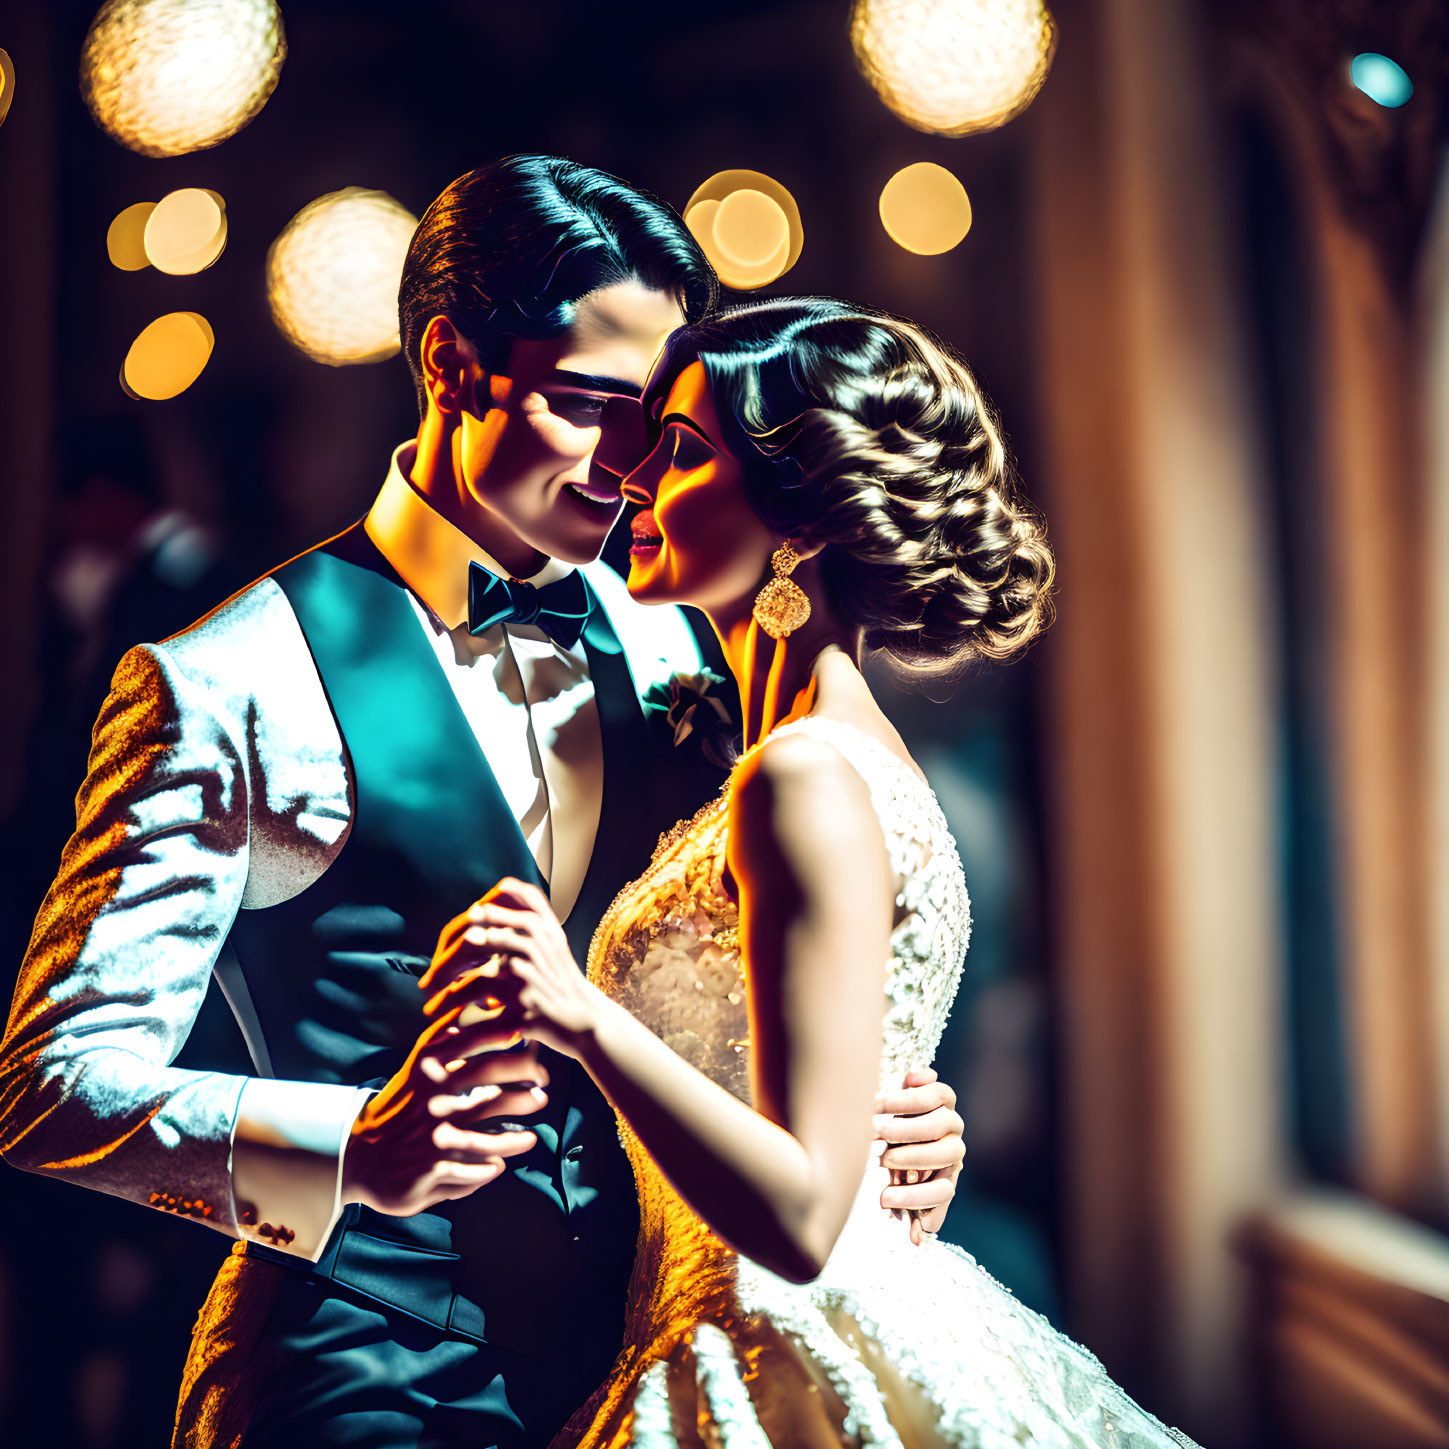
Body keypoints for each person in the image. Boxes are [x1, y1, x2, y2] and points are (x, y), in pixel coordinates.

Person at [0, 160, 966, 1449]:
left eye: (657, 419)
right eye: (588, 404)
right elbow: (51, 1085)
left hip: (657, 1357)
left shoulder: (694, 636)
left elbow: (799, 945)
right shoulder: (223, 681)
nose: (631, 466)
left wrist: (880, 1120)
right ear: (454, 366)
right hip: (356, 1376)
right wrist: (356, 1147)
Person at [424, 299, 1201, 1446]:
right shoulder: (843, 756)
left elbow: (801, 1211)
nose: (633, 479)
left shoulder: (798, 778)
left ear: (798, 525)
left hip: (772, 1336)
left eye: (682, 453)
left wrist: (580, 1015)